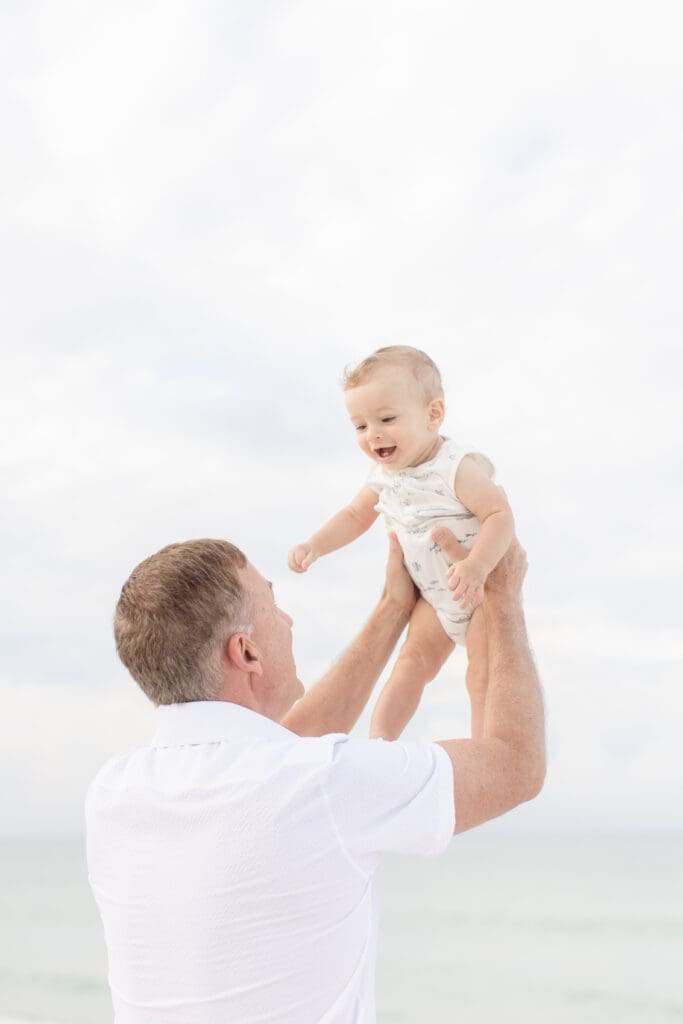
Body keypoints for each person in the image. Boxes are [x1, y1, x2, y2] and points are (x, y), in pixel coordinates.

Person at [86, 529, 544, 1024]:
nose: (287, 619)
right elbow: (515, 764)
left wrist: (394, 608)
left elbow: (278, 759)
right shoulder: (318, 782)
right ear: (247, 653)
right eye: (273, 604)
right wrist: (502, 596)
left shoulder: (113, 792)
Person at [288, 345, 514, 740]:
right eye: (359, 426)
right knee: (410, 664)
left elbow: (500, 516)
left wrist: (477, 566)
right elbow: (354, 516)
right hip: (433, 599)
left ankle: (483, 745)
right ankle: (380, 743)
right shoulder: (382, 476)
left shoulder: (455, 467)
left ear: (433, 415)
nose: (373, 434)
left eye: (387, 419)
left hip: (476, 596)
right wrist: (315, 545)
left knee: (482, 673)